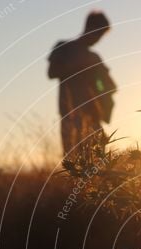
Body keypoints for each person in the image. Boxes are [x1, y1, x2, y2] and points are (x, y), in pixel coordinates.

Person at [47, 11, 116, 157]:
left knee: (98, 162)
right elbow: (52, 72)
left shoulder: (95, 58)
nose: (98, 40)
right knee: (73, 163)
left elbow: (110, 86)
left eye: (101, 36)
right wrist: (80, 66)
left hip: (93, 116)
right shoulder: (63, 47)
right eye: (98, 34)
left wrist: (101, 97)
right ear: (89, 27)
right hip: (70, 114)